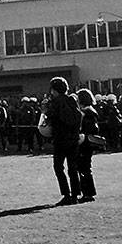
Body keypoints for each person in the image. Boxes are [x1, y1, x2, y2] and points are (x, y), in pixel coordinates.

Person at [45, 77, 82, 206]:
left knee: (58, 167)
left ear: (54, 90)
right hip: (73, 138)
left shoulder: (55, 103)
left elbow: (49, 119)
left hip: (61, 139)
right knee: (73, 168)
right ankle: (76, 195)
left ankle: (66, 194)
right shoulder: (72, 100)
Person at [76, 88, 99, 203]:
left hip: (85, 142)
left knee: (83, 168)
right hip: (87, 142)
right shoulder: (90, 110)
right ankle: (88, 192)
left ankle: (87, 193)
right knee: (85, 168)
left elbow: (88, 128)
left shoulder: (86, 112)